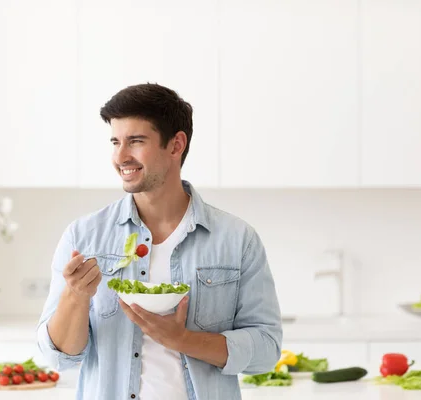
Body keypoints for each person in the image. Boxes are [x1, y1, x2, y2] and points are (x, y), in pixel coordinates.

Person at [37, 83, 282, 400]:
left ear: (176, 145)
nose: (121, 156)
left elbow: (266, 348)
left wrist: (183, 340)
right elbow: (59, 357)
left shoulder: (236, 239)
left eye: (136, 141)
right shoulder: (83, 236)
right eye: (115, 142)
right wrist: (75, 296)